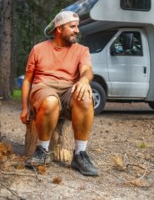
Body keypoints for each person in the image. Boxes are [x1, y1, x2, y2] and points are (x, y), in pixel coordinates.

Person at [20, 11, 98, 176]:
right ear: (59, 29)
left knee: (85, 97)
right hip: (43, 88)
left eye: (77, 26)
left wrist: (84, 80)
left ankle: (80, 154)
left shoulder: (81, 50)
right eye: (72, 27)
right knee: (50, 101)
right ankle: (42, 150)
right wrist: (25, 108)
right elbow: (27, 80)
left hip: (69, 89)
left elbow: (87, 70)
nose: (77, 30)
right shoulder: (39, 49)